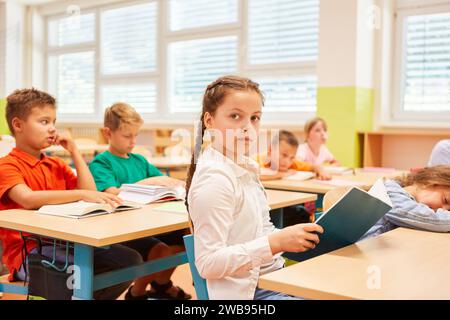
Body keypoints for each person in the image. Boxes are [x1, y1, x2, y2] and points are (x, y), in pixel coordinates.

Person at [185, 75, 324, 300]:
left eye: (255, 118)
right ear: (209, 121)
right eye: (235, 116)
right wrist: (275, 243)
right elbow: (208, 264)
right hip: (248, 293)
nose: (248, 127)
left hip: (273, 277)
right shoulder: (214, 180)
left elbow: (262, 230)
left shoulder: (246, 167)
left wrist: (292, 237)